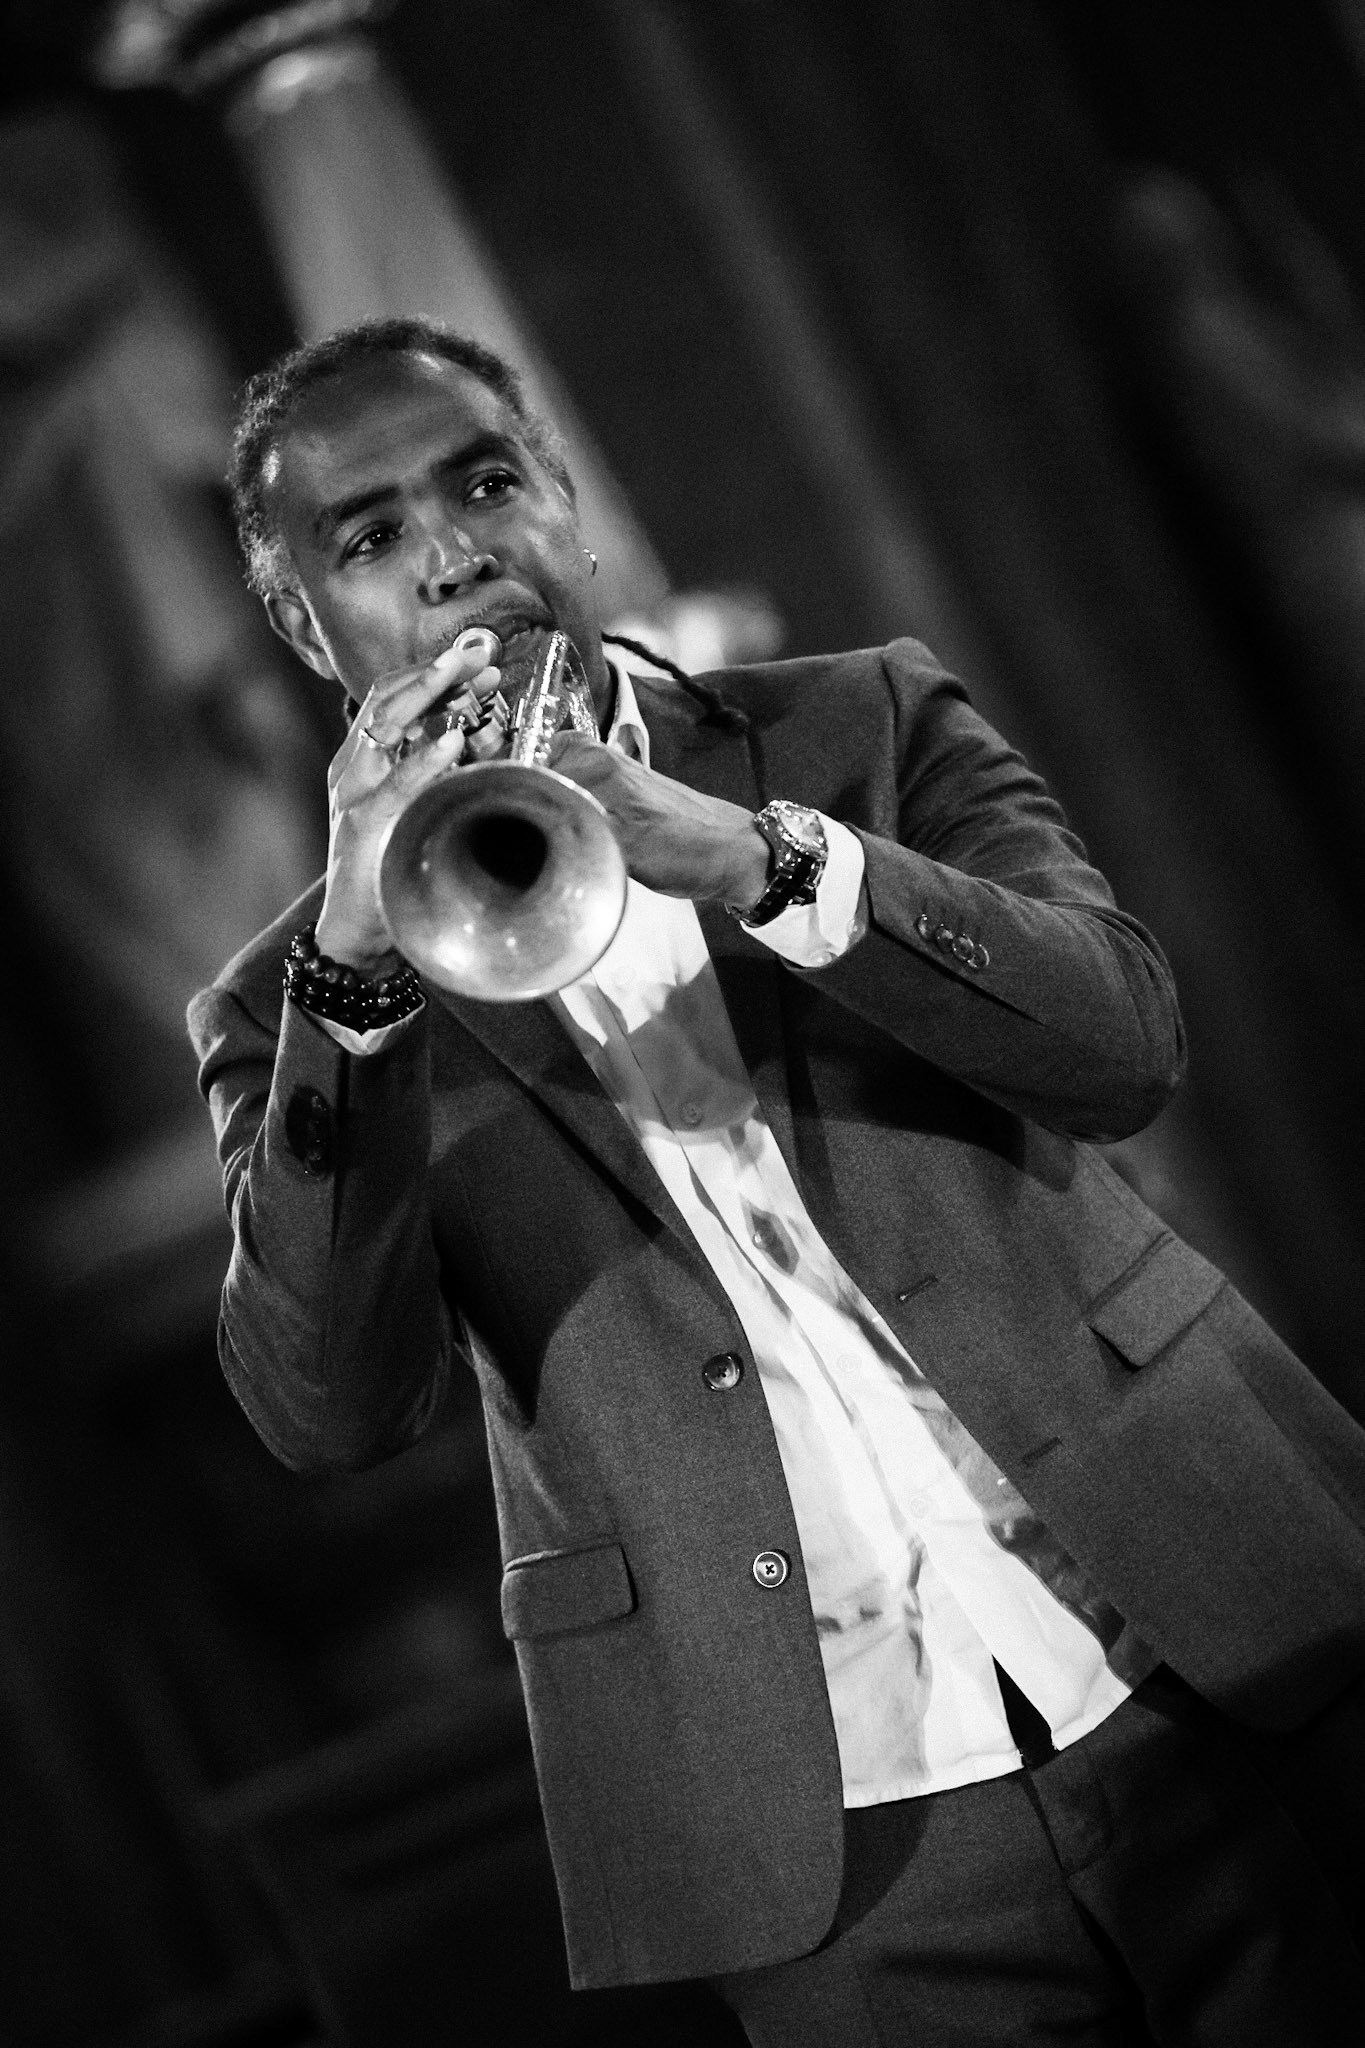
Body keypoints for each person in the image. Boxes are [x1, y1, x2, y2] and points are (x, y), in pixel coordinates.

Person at [189, 316, 1365, 2046]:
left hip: (1211, 1642)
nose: (449, 557)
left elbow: (1121, 1048)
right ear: (307, 626)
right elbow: (326, 1410)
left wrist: (759, 860)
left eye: (486, 481)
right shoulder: (287, 1006)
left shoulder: (862, 723)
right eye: (366, 541)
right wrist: (360, 971)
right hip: (836, 1846)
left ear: (567, 508)